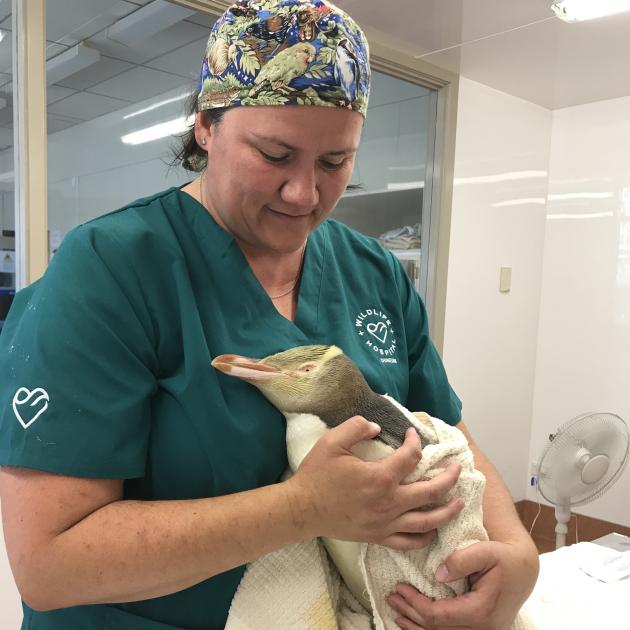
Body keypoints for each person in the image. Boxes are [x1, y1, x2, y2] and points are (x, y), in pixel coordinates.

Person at [0, 1, 538, 629]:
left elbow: (450, 436)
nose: (304, 193)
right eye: (275, 155)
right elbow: (49, 562)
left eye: (335, 163)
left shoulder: (373, 272)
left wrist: (519, 558)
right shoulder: (112, 270)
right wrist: (301, 509)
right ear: (205, 126)